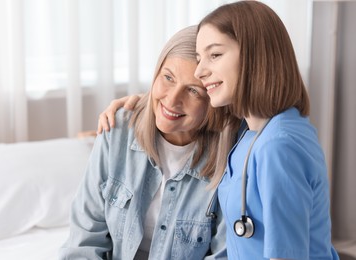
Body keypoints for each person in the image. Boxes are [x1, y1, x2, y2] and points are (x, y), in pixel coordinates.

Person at [98, 1, 339, 259]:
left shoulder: (277, 145)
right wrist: (145, 103)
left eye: (214, 55)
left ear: (254, 55)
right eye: (200, 58)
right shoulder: (251, 133)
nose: (201, 71)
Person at [59, 25, 228, 260]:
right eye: (168, 77)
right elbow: (84, 241)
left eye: (193, 91)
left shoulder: (229, 154)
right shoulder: (117, 129)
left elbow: (225, 253)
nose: (172, 99)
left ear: (213, 97)